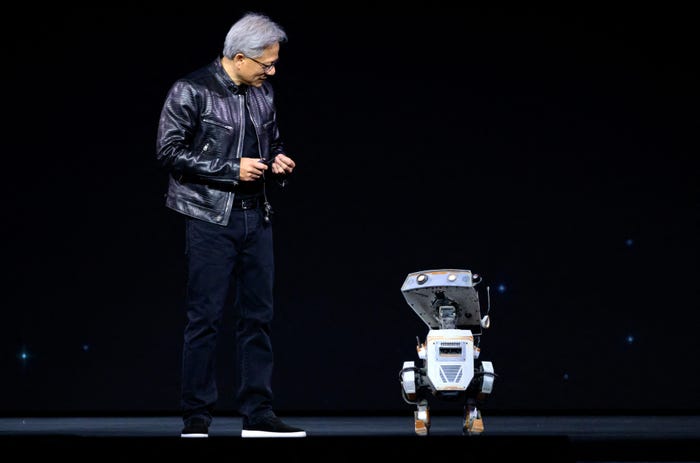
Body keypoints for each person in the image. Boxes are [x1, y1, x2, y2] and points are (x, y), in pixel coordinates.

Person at [156, 12, 305, 438]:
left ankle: (258, 413)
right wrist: (229, 169)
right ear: (240, 57)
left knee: (258, 317)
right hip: (209, 218)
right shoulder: (191, 90)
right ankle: (197, 417)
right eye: (266, 64)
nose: (272, 71)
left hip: (256, 216)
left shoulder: (264, 94)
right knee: (205, 318)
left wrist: (279, 163)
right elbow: (168, 151)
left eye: (274, 63)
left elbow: (271, 142)